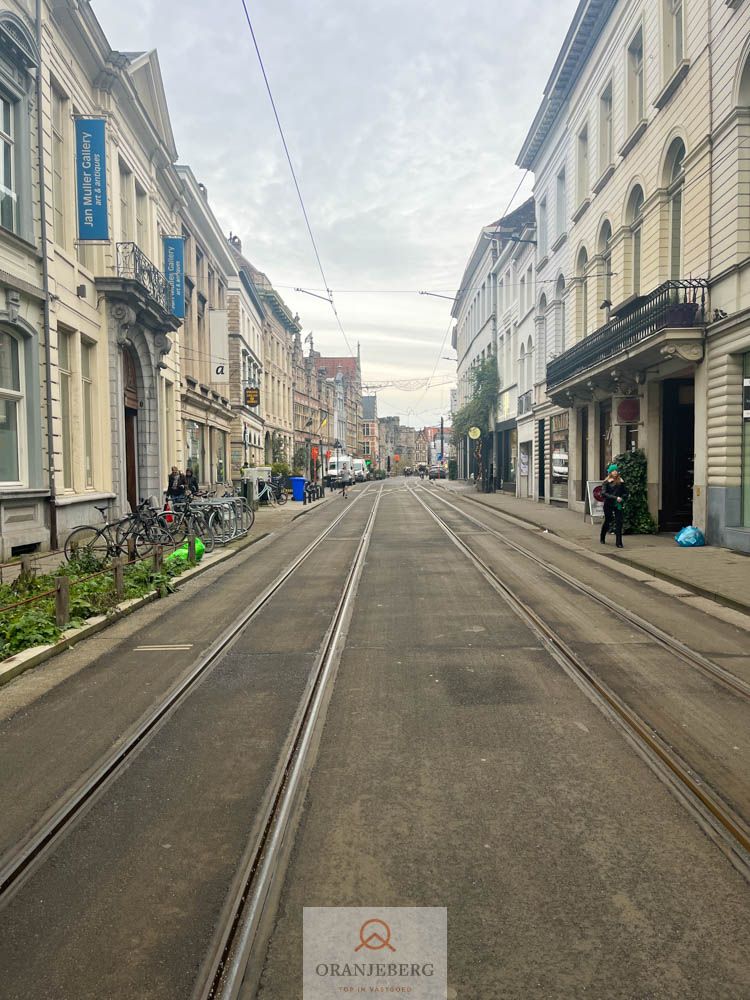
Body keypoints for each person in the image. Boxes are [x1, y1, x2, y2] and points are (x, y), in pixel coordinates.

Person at [600, 463, 628, 548]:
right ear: (610, 472)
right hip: (609, 504)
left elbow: (626, 493)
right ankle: (602, 536)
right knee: (608, 520)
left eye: (616, 470)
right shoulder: (606, 482)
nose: (615, 472)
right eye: (613, 471)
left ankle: (619, 542)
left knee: (619, 522)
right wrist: (615, 497)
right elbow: (604, 493)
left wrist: (622, 498)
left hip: (618, 504)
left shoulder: (621, 481)